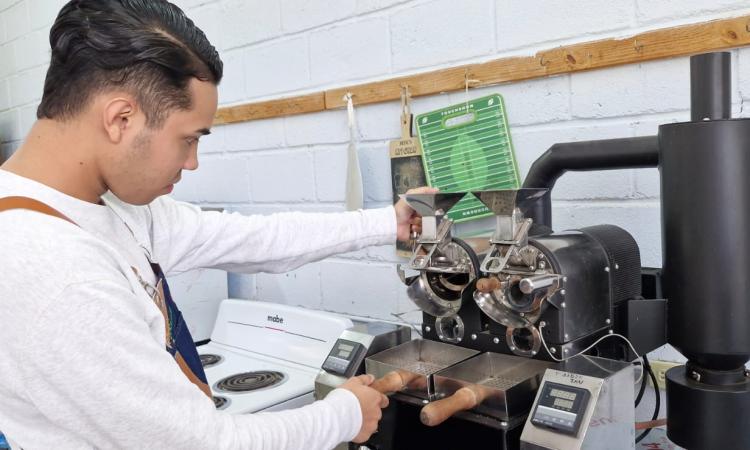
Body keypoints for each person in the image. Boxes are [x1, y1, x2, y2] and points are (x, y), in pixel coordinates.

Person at [0, 1, 433, 448]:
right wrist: (341, 415)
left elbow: (253, 241)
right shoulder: (53, 269)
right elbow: (201, 444)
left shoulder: (107, 206)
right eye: (187, 139)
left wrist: (389, 223)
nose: (192, 163)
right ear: (120, 118)